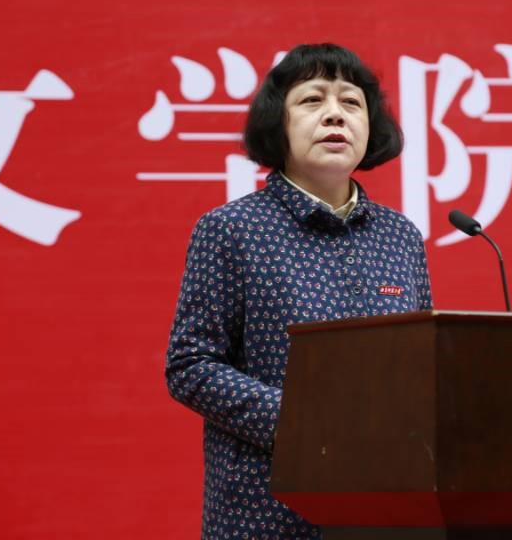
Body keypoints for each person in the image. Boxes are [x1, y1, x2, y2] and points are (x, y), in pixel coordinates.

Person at [165, 43, 433, 540]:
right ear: (278, 123)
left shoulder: (400, 236)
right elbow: (190, 364)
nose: (335, 114)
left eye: (351, 102)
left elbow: (421, 365)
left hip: (386, 508)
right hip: (266, 513)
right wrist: (303, 422)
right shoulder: (232, 229)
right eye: (312, 100)